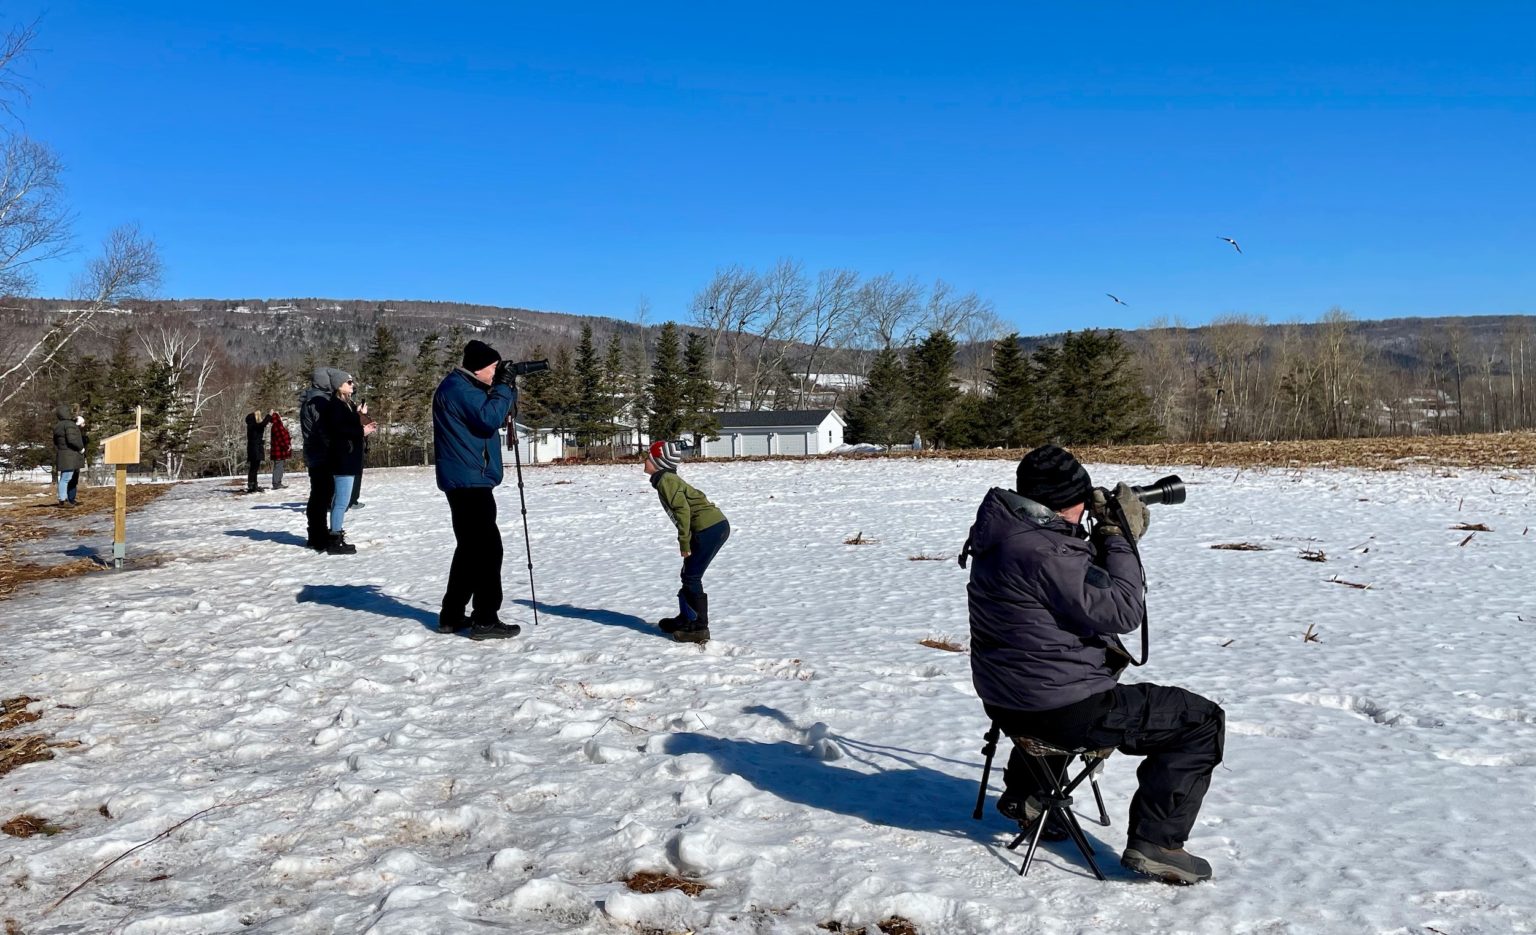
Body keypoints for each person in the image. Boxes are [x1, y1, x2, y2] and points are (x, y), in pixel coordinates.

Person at [964, 444, 1224, 885]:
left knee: (1067, 685)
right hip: (1058, 710)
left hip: (1008, 699)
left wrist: (1096, 535)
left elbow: (1075, 589)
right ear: (1067, 503)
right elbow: (1122, 610)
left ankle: (1030, 794)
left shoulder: (1007, 533)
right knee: (1200, 721)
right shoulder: (1046, 552)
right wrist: (1118, 536)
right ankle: (1157, 844)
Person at [432, 339, 520, 640]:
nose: (496, 373)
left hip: (468, 477)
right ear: (479, 367)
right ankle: (485, 619)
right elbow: (489, 418)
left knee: (470, 550)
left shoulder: (463, 387)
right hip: (468, 480)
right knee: (487, 550)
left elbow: (492, 415)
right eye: (494, 368)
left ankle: (452, 615)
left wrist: (506, 390)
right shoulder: (460, 389)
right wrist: (504, 389)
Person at [645, 439, 729, 644]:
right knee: (688, 574)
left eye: (648, 457)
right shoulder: (665, 479)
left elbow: (683, 510)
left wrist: (684, 542)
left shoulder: (666, 480)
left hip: (708, 529)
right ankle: (686, 618)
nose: (644, 460)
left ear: (659, 462)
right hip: (712, 527)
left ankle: (699, 627)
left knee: (692, 576)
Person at [318, 372, 374, 554]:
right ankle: (335, 538)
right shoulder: (335, 406)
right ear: (339, 385)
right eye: (348, 382)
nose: (352, 385)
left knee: (341, 500)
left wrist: (360, 416)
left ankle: (335, 535)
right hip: (342, 458)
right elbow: (339, 430)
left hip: (346, 457)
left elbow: (345, 426)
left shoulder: (345, 405)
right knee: (342, 501)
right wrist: (361, 431)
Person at [300, 368, 345, 551]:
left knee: (320, 494)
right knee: (321, 495)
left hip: (315, 453)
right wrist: (335, 447)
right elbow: (323, 429)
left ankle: (317, 532)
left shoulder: (312, 398)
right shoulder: (318, 401)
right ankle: (318, 535)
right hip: (321, 454)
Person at [51, 404, 84, 507]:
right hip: (70, 455)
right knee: (66, 478)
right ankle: (63, 500)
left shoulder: (58, 426)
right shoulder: (69, 425)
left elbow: (56, 442)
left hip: (63, 453)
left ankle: (66, 499)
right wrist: (80, 448)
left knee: (66, 478)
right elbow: (72, 439)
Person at [245, 409, 272, 493]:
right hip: (255, 449)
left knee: (255, 468)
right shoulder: (253, 426)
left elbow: (261, 425)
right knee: (253, 468)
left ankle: (253, 484)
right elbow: (263, 424)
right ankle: (251, 485)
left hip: (255, 448)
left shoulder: (252, 426)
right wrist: (269, 415)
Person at [269, 410, 292, 489]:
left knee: (279, 466)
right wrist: (287, 446)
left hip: (277, 450)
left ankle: (277, 482)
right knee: (279, 467)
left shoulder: (275, 426)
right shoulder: (278, 425)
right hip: (279, 450)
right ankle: (276, 483)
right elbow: (281, 438)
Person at [69, 415, 88, 504]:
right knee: (72, 479)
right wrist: (81, 449)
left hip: (76, 457)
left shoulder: (76, 431)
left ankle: (71, 498)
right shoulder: (76, 432)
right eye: (83, 423)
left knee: (73, 479)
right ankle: (70, 498)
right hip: (75, 457)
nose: (84, 425)